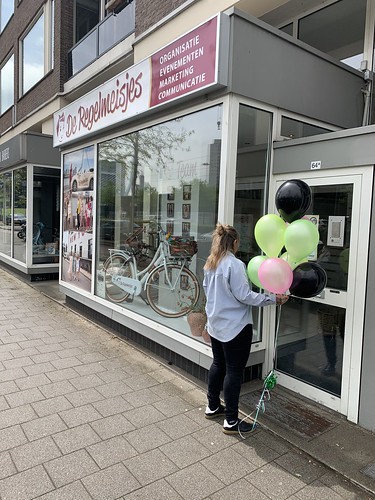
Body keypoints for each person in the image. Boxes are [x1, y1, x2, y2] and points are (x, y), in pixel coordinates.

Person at [203, 223, 288, 435]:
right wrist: (272, 299)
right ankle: (231, 421)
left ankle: (212, 406)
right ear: (234, 242)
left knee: (218, 364)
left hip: (216, 325)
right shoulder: (235, 265)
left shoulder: (210, 263)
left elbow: (208, 294)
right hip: (235, 327)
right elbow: (245, 296)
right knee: (234, 371)